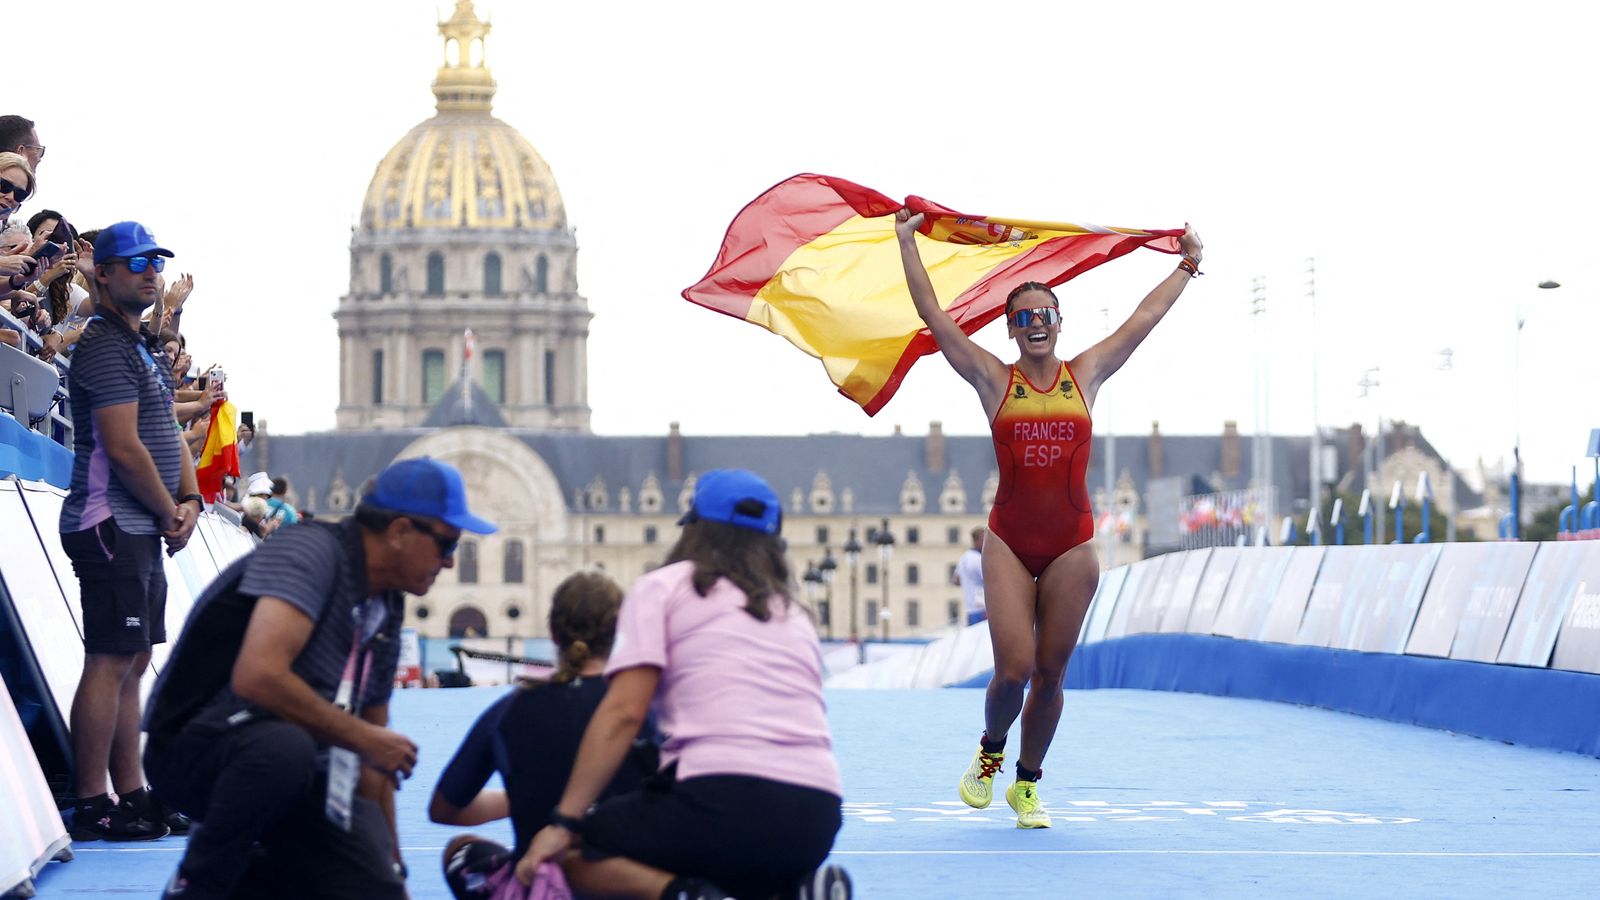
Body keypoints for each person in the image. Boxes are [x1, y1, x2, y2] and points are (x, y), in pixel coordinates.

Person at [895, 209, 1203, 828]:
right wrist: (907, 241)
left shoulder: (1083, 374)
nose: (1035, 324)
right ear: (1011, 330)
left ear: (1058, 324)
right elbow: (934, 318)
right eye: (1023, 318)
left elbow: (1143, 320)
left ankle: (1027, 785)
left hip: (1072, 547)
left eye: (1045, 315)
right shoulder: (992, 379)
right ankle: (989, 754)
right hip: (1009, 543)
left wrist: (1189, 264)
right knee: (1012, 671)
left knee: (1050, 672)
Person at [143, 456, 498, 898]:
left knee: (372, 886)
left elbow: (375, 748)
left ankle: (256, 878)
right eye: (448, 543)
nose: (449, 562)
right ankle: (197, 884)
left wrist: (391, 865)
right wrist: (366, 740)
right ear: (401, 531)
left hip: (294, 760)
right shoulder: (310, 551)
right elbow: (258, 678)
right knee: (283, 749)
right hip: (192, 747)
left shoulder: (386, 605)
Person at [515, 469, 851, 900]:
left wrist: (565, 822)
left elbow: (624, 713)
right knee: (740, 860)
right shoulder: (795, 612)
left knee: (575, 854)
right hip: (817, 817)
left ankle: (683, 896)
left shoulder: (663, 588)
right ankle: (798, 891)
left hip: (715, 797)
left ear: (693, 528)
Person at [58, 221, 201, 841]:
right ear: (103, 273)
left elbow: (165, 431)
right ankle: (93, 801)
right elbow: (122, 445)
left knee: (135, 659)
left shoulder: (141, 345)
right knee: (110, 660)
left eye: (155, 263)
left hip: (140, 522)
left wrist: (191, 495)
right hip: (110, 519)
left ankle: (133, 790)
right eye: (134, 262)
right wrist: (171, 510)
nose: (149, 272)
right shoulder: (103, 345)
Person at [430, 570, 659, 899]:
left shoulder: (508, 712)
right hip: (630, 887)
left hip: (539, 883)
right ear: (620, 632)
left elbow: (444, 809)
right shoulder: (644, 711)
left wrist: (520, 801)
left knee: (461, 850)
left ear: (553, 632)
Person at [955, 526, 986, 626]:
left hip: (970, 608)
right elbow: (990, 579)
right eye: (984, 539)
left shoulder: (964, 557)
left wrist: (968, 582)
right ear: (977, 540)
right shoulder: (979, 558)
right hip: (983, 607)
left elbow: (956, 580)